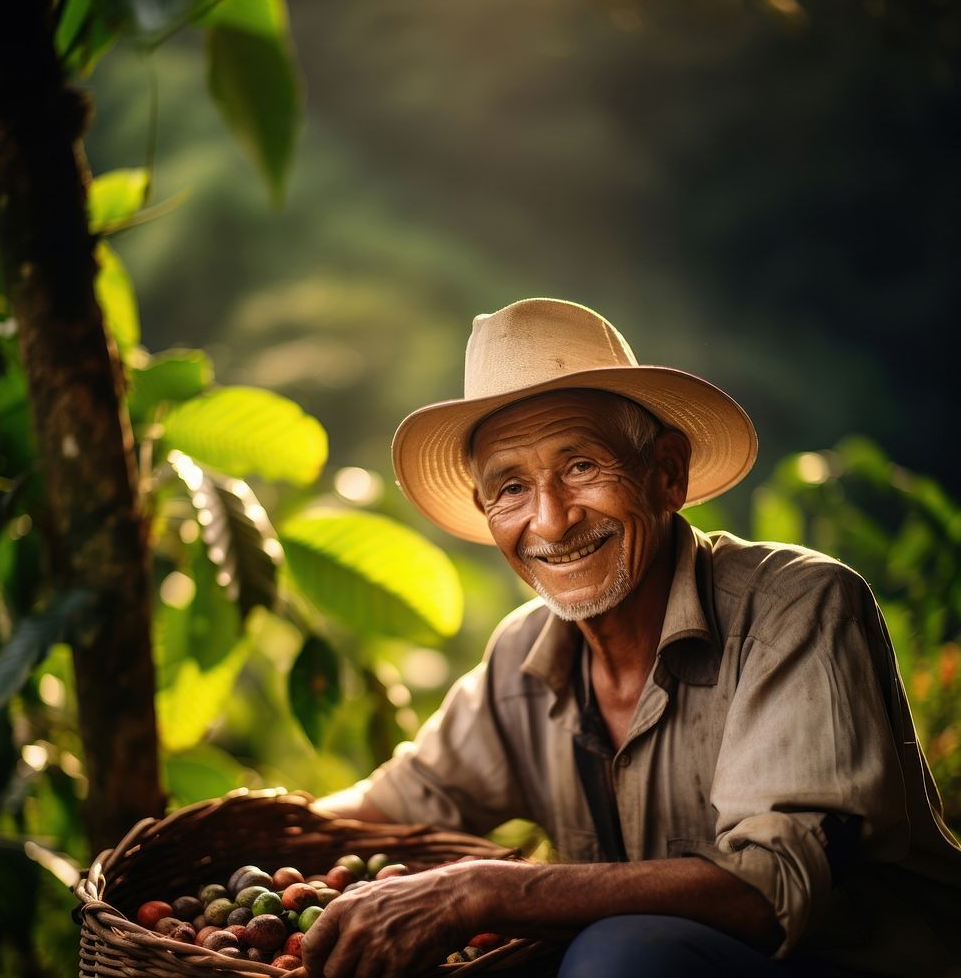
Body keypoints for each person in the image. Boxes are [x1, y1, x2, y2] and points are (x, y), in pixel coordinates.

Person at [302, 298, 961, 978]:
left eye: (582, 466)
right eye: (512, 487)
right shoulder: (522, 654)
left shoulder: (797, 605)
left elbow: (772, 887)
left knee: (618, 955)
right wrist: (257, 824)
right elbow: (397, 802)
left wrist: (484, 891)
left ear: (666, 473)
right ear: (486, 510)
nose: (551, 522)